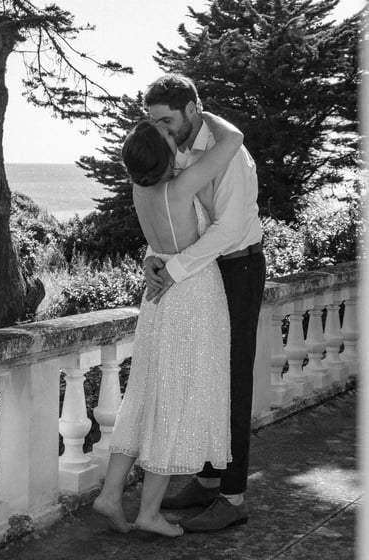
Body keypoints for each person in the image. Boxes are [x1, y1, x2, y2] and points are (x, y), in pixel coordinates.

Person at [92, 111, 244, 537]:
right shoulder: (180, 187)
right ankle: (149, 512)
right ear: (166, 154)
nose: (170, 129)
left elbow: (159, 240)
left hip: (158, 299)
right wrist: (196, 109)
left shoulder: (140, 190)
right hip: (192, 295)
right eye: (164, 130)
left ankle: (111, 494)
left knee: (145, 395)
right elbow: (233, 138)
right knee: (176, 400)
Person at [143, 74, 266, 532]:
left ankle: (233, 498)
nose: (160, 130)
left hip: (239, 267)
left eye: (166, 120)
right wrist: (154, 257)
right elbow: (175, 214)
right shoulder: (176, 150)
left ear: (192, 111)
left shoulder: (229, 155)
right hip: (203, 270)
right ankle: (209, 482)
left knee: (232, 378)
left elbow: (227, 230)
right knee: (206, 374)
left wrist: (173, 271)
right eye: (153, 122)